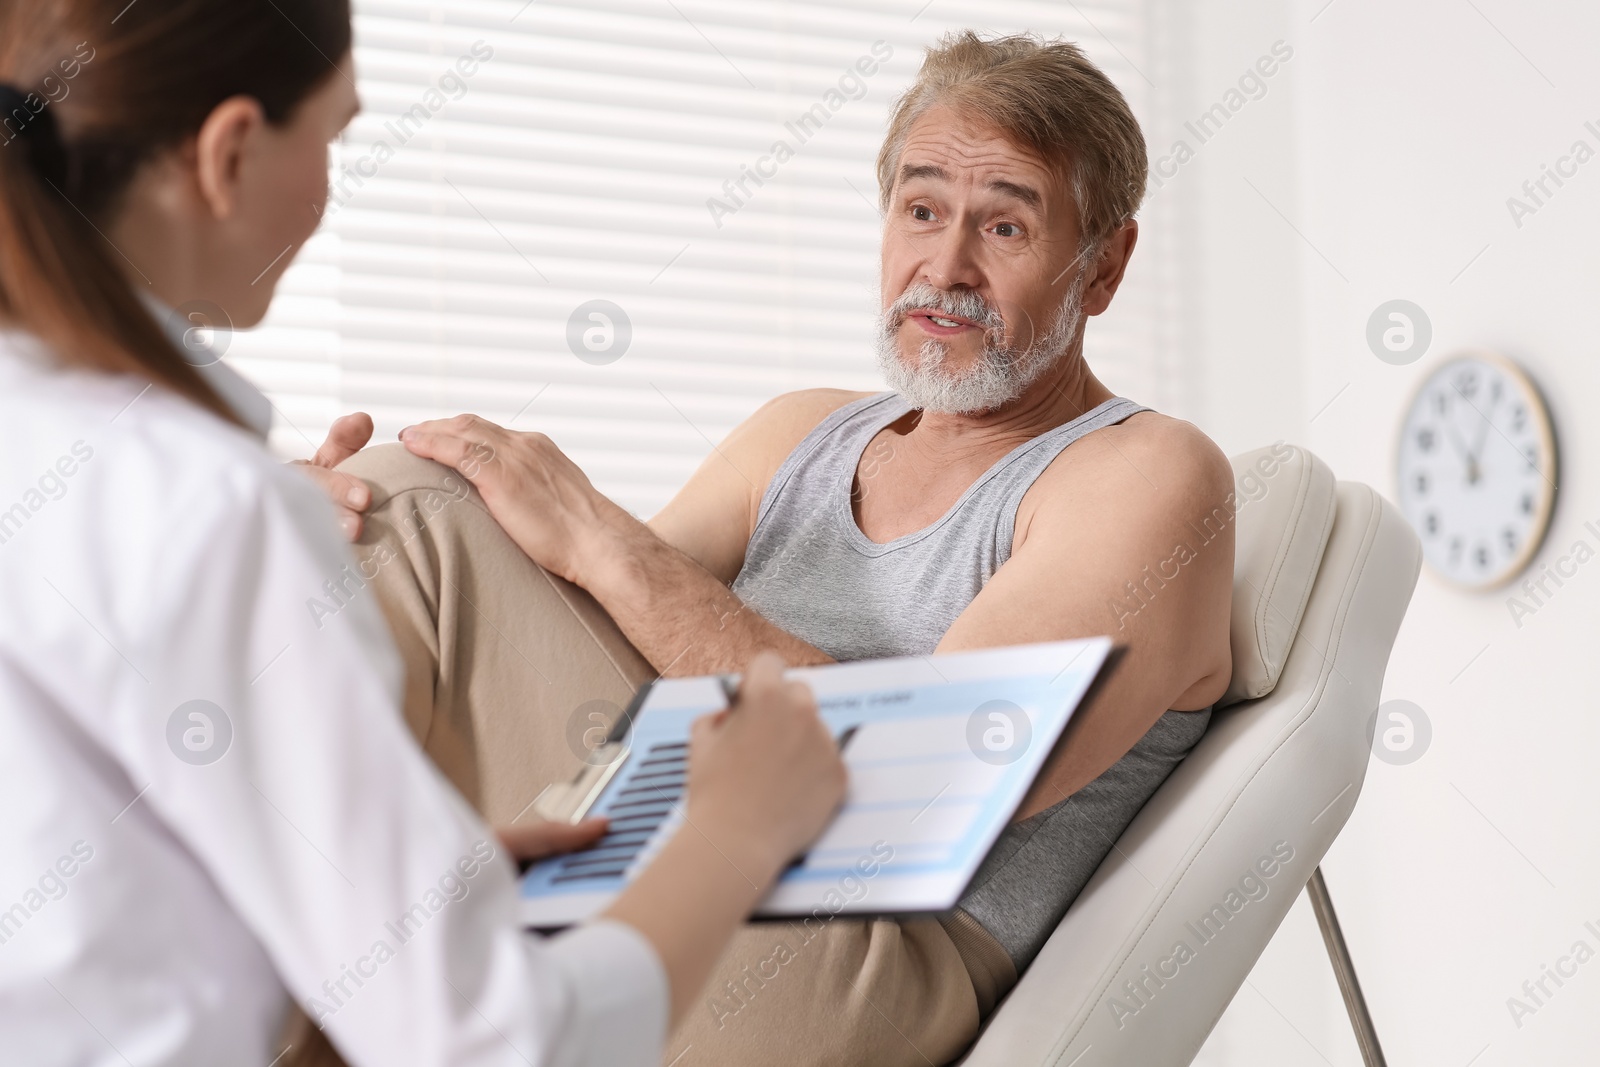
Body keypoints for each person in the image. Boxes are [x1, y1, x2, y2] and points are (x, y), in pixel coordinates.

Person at [307, 31, 1237, 1067]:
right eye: (920, 209)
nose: (945, 265)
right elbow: (569, 658)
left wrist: (600, 536)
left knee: (421, 514)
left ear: (1102, 265)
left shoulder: (1146, 472)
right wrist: (311, 553)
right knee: (396, 505)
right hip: (685, 853)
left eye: (1005, 225)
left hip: (878, 955)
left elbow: (910, 792)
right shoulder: (800, 432)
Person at [0, 3, 846, 1066]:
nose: (331, 185)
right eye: (334, 137)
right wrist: (736, 833)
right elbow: (497, 1045)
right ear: (227, 154)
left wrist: (413, 893)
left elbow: (77, 896)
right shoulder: (208, 506)